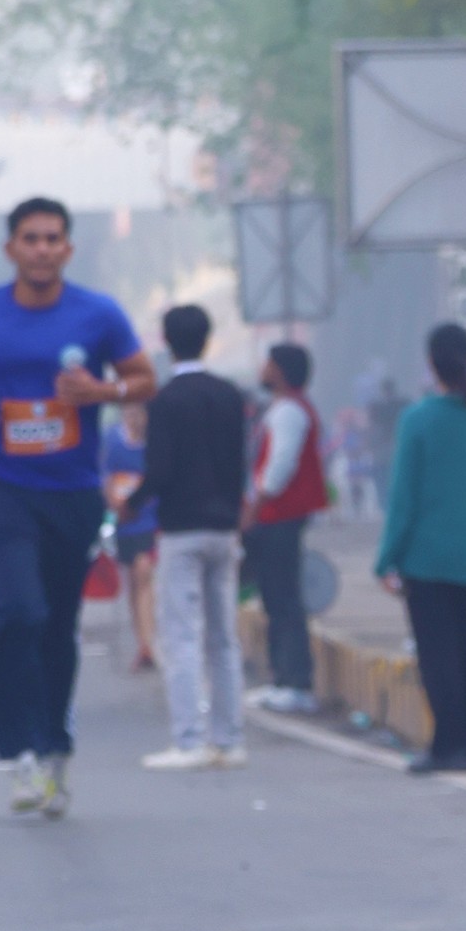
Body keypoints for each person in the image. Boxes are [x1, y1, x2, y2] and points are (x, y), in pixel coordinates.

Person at [0, 199, 154, 820]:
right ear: (11, 248)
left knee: (57, 624)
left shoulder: (98, 314)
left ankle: (55, 746)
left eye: (52, 238)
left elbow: (144, 379)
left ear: (67, 249)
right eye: (30, 238)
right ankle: (20, 752)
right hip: (2, 485)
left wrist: (102, 390)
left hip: (72, 490)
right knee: (18, 610)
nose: (41, 249)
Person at [375, 321, 466, 773]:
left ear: (431, 364)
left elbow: (404, 500)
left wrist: (387, 558)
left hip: (428, 562)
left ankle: (447, 746)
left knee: (439, 657)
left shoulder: (418, 420)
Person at [134, 303, 249, 773]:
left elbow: (159, 469)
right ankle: (229, 740)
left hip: (182, 530)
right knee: (223, 638)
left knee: (182, 636)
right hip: (224, 528)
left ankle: (189, 740)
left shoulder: (165, 401)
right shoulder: (230, 395)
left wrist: (132, 500)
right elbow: (239, 463)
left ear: (166, 342)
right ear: (207, 338)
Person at [244, 339, 326, 717]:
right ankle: (282, 679)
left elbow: (280, 467)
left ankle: (296, 682)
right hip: (276, 515)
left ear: (279, 371)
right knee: (275, 597)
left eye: (267, 363)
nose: (262, 369)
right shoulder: (281, 408)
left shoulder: (289, 411)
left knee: (284, 598)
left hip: (280, 515)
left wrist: (254, 507)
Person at [101, 398, 159, 670]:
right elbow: (105, 476)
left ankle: (149, 644)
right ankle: (142, 640)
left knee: (143, 572)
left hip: (149, 518)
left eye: (140, 413)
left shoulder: (155, 443)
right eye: (131, 413)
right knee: (133, 581)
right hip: (124, 520)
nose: (136, 419)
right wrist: (114, 503)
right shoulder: (112, 439)